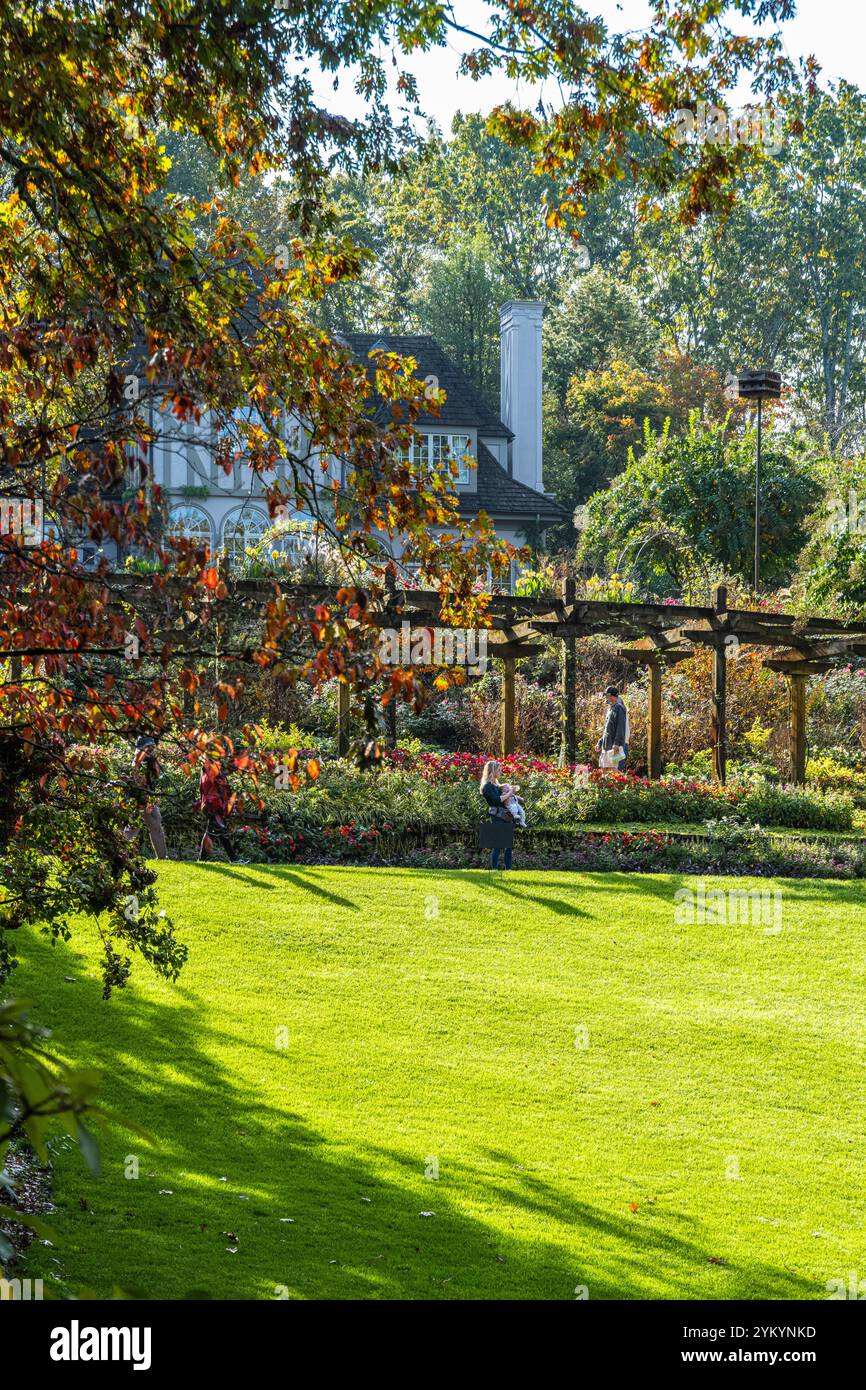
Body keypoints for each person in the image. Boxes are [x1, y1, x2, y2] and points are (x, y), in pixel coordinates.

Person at [131, 735, 167, 859]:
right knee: (132, 828)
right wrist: (145, 803)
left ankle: (162, 857)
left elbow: (154, 781)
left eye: (152, 748)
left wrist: (151, 801)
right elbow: (137, 784)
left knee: (156, 825)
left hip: (150, 798)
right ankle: (122, 854)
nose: (151, 750)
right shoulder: (136, 763)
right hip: (137, 799)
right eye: (148, 748)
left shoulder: (152, 762)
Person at [197, 759, 237, 862]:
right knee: (221, 833)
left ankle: (202, 859)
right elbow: (212, 795)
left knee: (212, 833)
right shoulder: (209, 776)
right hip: (213, 808)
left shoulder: (210, 775)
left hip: (213, 808)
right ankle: (234, 859)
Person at [480, 759, 516, 869]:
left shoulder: (496, 785)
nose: (501, 772)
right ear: (493, 770)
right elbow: (496, 800)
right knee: (497, 845)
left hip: (505, 816)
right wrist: (510, 793)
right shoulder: (487, 787)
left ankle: (508, 869)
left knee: (508, 846)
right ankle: (495, 869)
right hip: (496, 817)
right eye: (499, 770)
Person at [597, 685, 630, 771]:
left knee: (616, 772)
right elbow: (607, 729)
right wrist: (600, 742)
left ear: (612, 696)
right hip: (607, 746)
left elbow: (621, 727)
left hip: (616, 747)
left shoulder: (619, 708)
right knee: (604, 771)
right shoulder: (610, 709)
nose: (606, 698)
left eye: (607, 696)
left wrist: (617, 743)